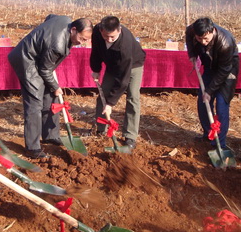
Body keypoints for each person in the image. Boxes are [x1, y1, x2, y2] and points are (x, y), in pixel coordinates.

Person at [8, 15, 93, 159]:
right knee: (35, 103)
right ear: (73, 29)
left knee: (52, 96)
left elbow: (50, 17)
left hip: (40, 58)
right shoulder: (58, 45)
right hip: (26, 60)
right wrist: (55, 86)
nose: (83, 43)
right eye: (82, 39)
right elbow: (44, 70)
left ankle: (50, 135)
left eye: (86, 40)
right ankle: (32, 148)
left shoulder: (66, 20)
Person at [90, 15, 146, 149]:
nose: (109, 40)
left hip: (133, 66)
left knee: (133, 97)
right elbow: (96, 50)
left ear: (119, 30)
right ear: (101, 30)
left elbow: (123, 80)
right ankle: (101, 129)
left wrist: (111, 103)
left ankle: (130, 136)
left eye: (112, 37)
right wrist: (96, 68)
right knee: (102, 95)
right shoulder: (97, 32)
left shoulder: (124, 46)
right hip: (112, 64)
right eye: (106, 37)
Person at [185, 17, 240, 150]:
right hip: (210, 66)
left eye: (206, 39)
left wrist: (210, 91)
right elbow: (188, 34)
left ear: (212, 31)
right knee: (203, 101)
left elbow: (224, 70)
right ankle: (207, 133)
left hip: (227, 71)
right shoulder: (192, 30)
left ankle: (220, 143)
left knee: (222, 104)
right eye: (199, 39)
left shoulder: (225, 42)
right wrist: (192, 54)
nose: (203, 42)